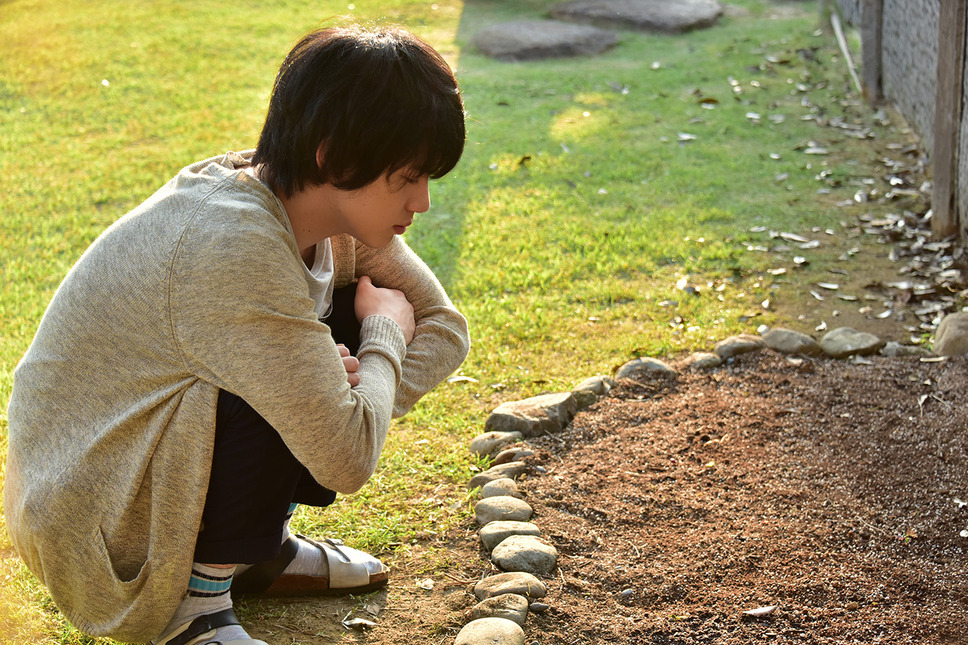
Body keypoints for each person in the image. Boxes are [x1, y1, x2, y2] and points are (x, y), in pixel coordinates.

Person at [4, 25, 469, 645]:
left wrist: (341, 402)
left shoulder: (323, 210)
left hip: (155, 463)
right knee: (298, 365)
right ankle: (191, 602)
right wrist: (377, 341)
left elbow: (442, 328)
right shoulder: (232, 245)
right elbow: (349, 457)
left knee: (303, 366)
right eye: (407, 176)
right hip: (103, 517)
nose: (424, 202)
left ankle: (255, 550)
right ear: (333, 155)